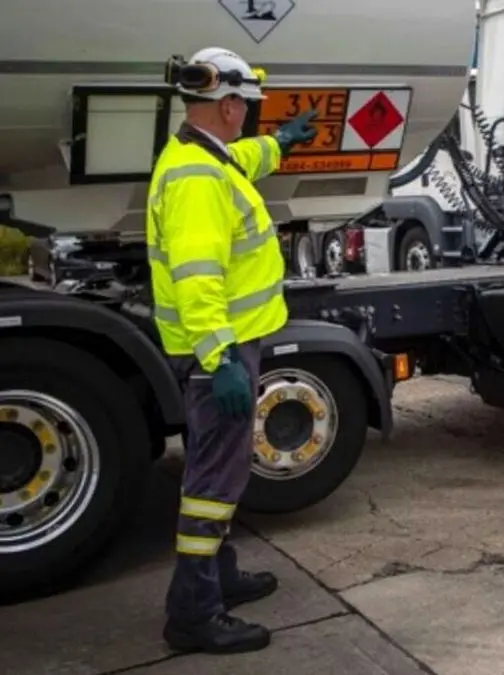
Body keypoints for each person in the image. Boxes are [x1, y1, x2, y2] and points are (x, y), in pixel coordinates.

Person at [147, 47, 317, 654]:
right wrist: (219, 357)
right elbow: (199, 279)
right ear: (226, 105)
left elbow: (240, 158)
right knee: (213, 482)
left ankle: (220, 578)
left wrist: (282, 144)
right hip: (217, 352)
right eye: (245, 107)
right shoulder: (196, 180)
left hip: (218, 347)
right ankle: (193, 614)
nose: (247, 117)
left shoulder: (201, 156)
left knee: (213, 468)